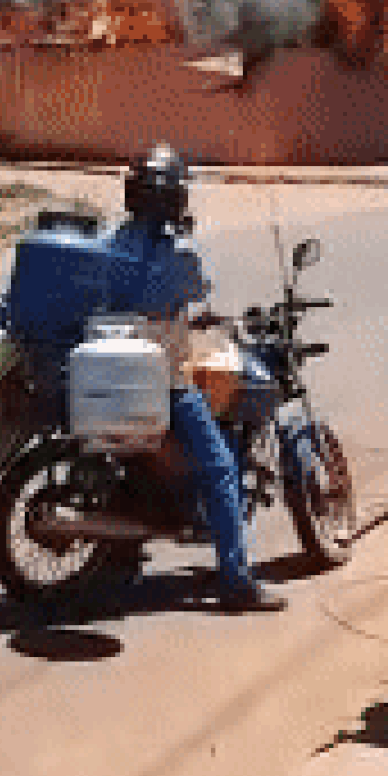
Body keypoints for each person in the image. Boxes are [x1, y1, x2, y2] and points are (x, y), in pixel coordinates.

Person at [108, 144, 286, 613]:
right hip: (159, 380)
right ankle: (236, 581)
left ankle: (125, 547)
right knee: (223, 469)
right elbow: (198, 299)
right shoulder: (178, 254)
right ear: (174, 201)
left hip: (111, 367)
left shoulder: (113, 243)